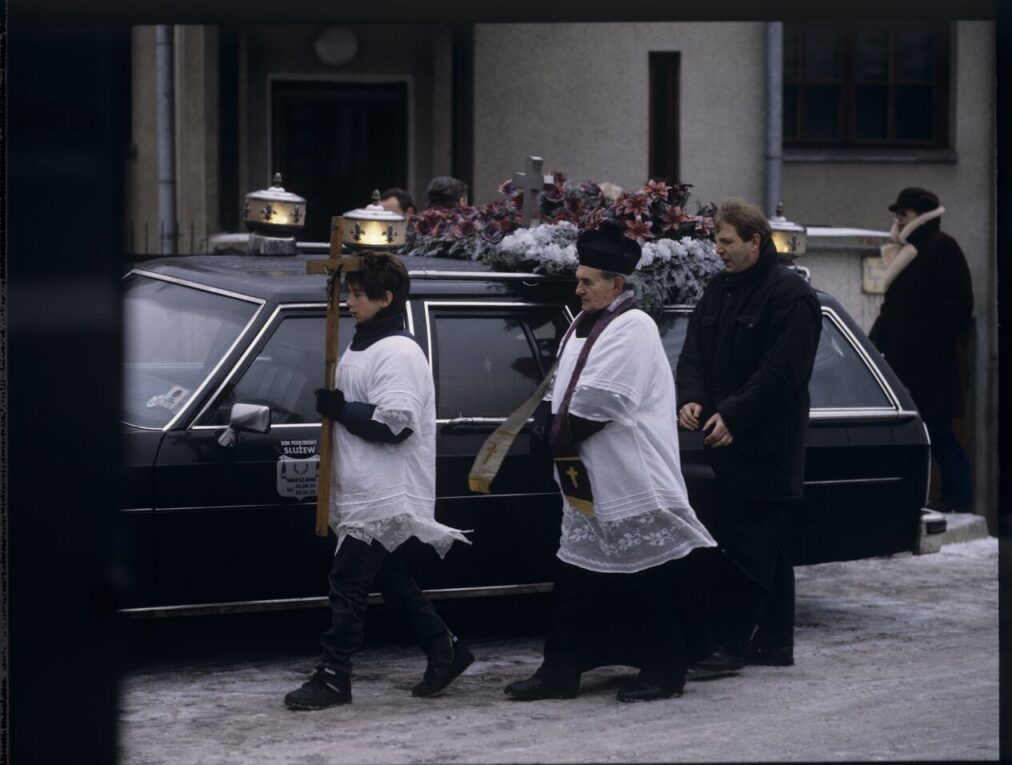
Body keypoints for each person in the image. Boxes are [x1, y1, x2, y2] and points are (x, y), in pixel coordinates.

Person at [503, 219, 717, 703]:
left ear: (617, 284)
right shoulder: (584, 324)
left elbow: (602, 403)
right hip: (590, 476)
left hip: (629, 474)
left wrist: (551, 434)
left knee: (647, 577)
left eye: (587, 282)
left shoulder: (634, 325)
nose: (578, 289)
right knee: (578, 576)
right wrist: (545, 419)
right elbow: (562, 387)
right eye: (578, 279)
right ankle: (561, 671)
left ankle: (665, 671)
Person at [285, 253, 473, 710]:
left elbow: (396, 423)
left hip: (384, 487)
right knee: (389, 577)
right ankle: (445, 648)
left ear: (386, 298)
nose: (350, 301)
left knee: (347, 580)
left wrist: (340, 410)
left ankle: (334, 674)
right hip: (359, 482)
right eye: (347, 292)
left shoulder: (400, 352)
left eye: (358, 294)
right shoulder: (362, 343)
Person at [676, 197, 822, 679]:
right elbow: (694, 351)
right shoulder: (720, 289)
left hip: (768, 443)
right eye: (716, 241)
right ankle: (776, 642)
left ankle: (729, 645)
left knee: (745, 546)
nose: (717, 250)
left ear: (755, 241)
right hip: (726, 439)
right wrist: (692, 397)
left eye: (726, 241)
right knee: (765, 545)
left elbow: (783, 372)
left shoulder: (790, 294)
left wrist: (734, 413)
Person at [868, 187, 974, 513]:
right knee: (915, 431)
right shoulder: (911, 251)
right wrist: (871, 349)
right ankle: (915, 495)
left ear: (921, 216)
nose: (898, 219)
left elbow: (958, 307)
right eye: (897, 214)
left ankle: (957, 496)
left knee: (938, 430)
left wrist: (918, 339)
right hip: (906, 363)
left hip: (932, 365)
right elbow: (892, 311)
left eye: (904, 214)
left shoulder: (942, 248)